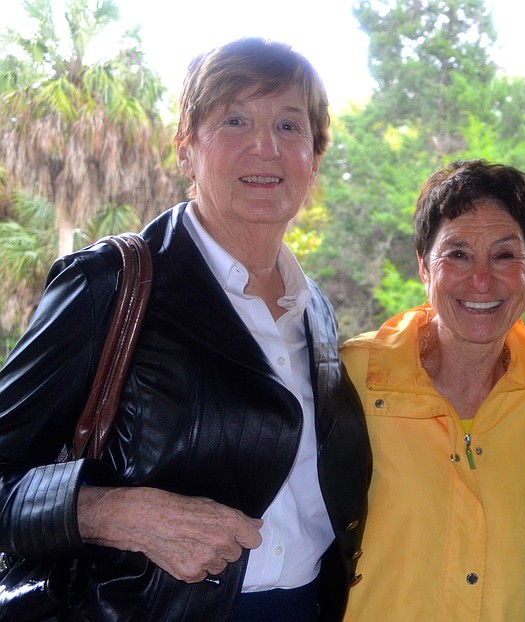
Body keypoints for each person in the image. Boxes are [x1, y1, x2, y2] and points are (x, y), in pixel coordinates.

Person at [0, 38, 371, 621]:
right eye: (235, 119)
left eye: (290, 126)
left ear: (315, 156)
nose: (265, 146)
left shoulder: (315, 310)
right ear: (186, 148)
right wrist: (109, 513)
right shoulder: (110, 284)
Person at [341, 159, 525, 621]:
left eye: (504, 255)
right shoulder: (350, 379)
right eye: (457, 254)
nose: (481, 280)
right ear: (423, 267)